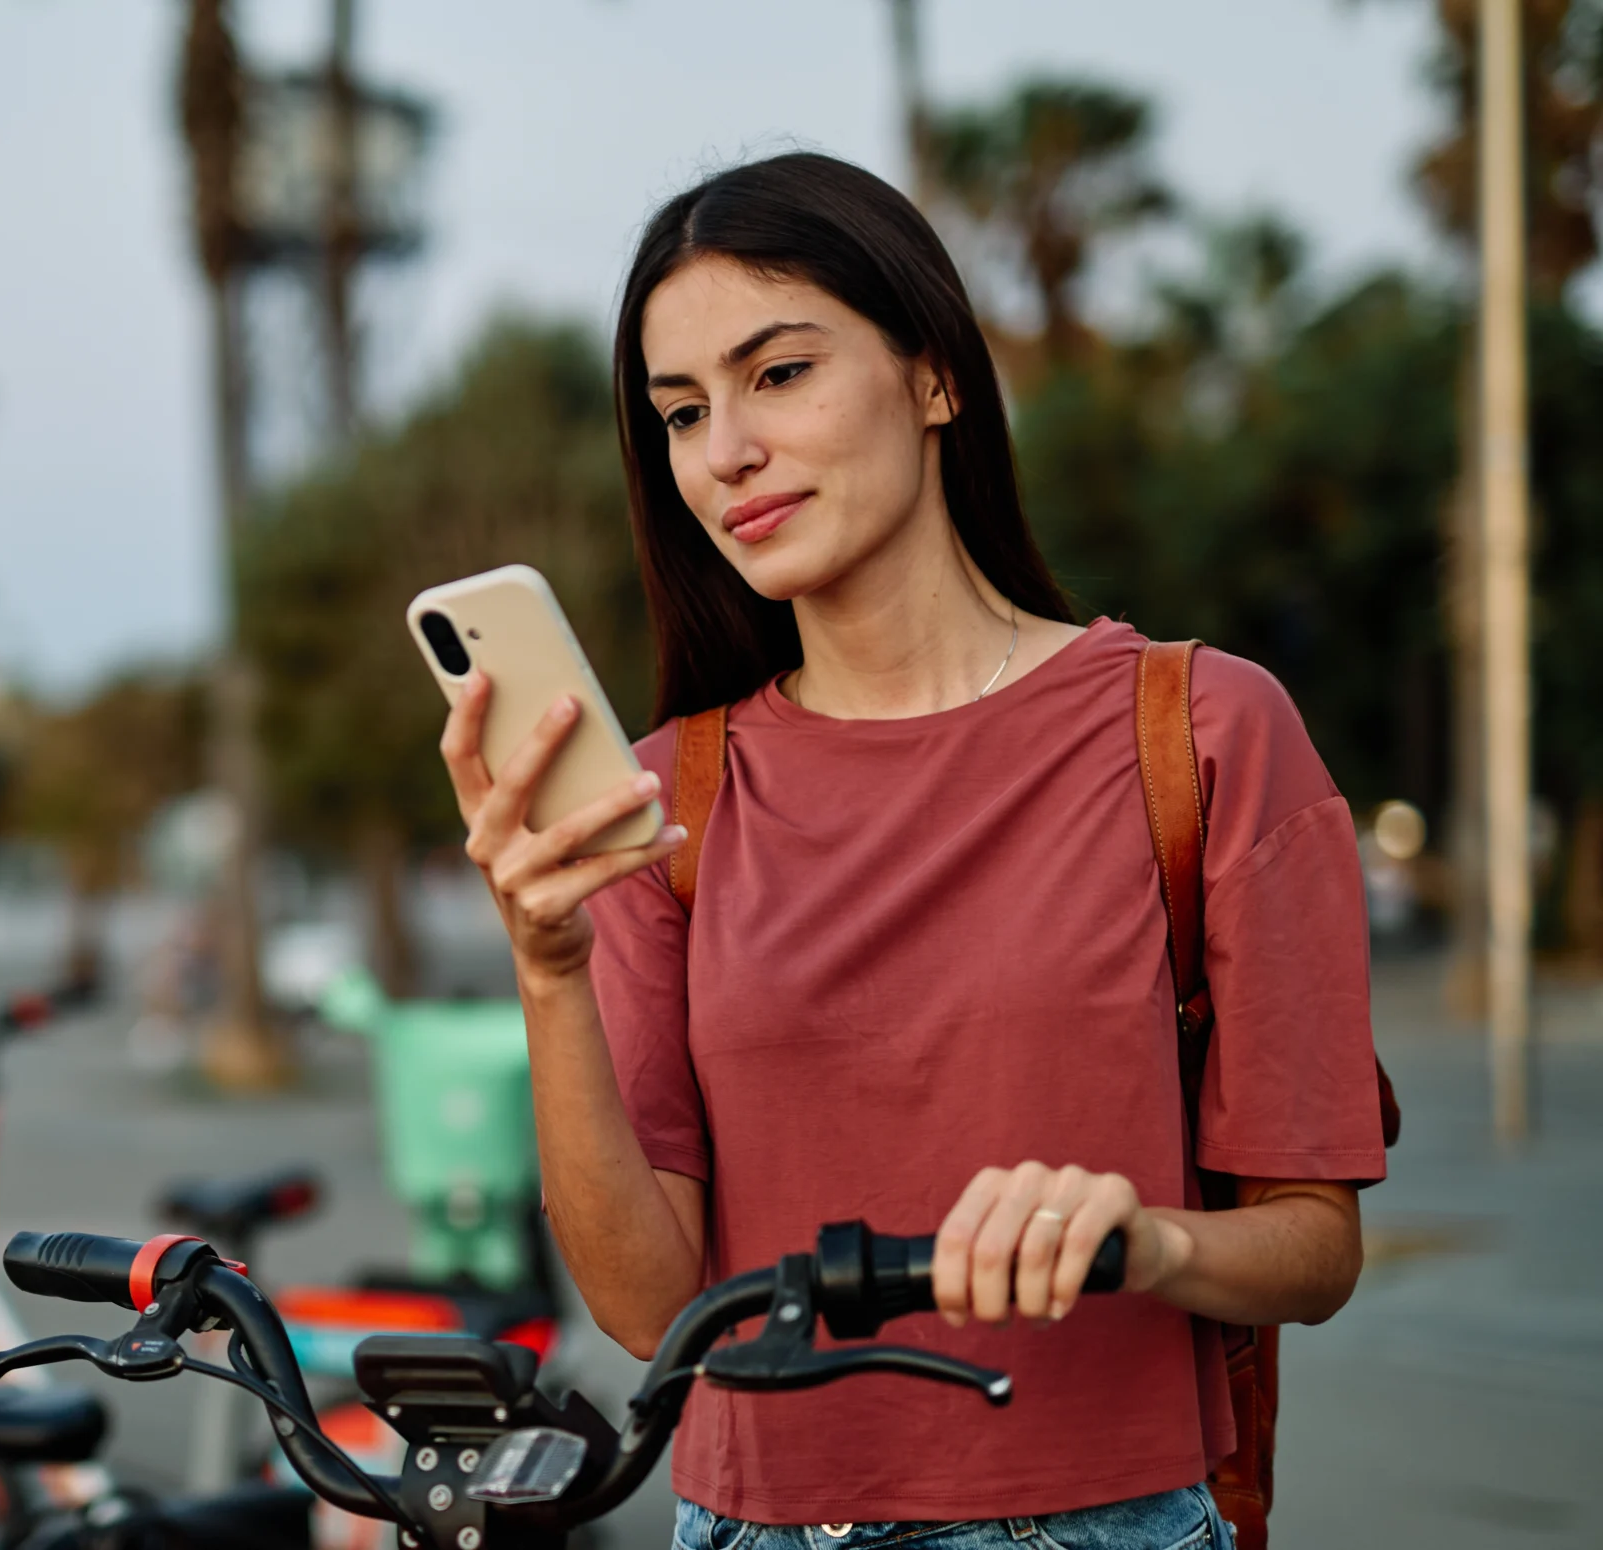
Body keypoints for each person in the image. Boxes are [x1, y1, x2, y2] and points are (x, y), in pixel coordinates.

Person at [436, 153, 1387, 1549]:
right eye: (682, 412)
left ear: (935, 376)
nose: (726, 453)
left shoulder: (1204, 732)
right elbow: (649, 1307)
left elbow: (1316, 1246)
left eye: (778, 374)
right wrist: (549, 966)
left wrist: (1149, 1233)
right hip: (750, 1523)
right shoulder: (666, 801)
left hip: (1106, 1519)